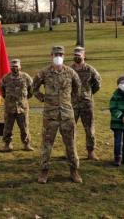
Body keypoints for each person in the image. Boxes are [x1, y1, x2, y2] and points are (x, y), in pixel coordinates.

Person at [33, 45, 83, 184]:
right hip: (50, 115)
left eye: (60, 54)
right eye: (55, 54)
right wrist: (41, 97)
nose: (58, 57)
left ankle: (74, 171)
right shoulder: (44, 73)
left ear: (64, 56)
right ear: (51, 55)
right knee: (47, 145)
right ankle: (44, 172)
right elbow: (33, 86)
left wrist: (70, 101)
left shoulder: (71, 72)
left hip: (67, 115)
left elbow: (78, 88)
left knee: (71, 144)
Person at [70, 46, 101, 160]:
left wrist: (88, 94)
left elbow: (97, 84)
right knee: (70, 128)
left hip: (87, 104)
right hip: (72, 104)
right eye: (75, 54)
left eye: (79, 54)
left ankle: (91, 151)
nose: (77, 56)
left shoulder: (90, 70)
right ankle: (71, 151)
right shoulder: (69, 70)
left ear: (84, 55)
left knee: (89, 129)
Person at [0, 58, 34, 151]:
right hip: (9, 107)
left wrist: (24, 100)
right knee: (7, 127)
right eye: (13, 67)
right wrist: (8, 99)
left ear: (20, 67)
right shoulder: (6, 78)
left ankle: (26, 144)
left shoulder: (26, 77)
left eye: (16, 66)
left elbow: (31, 90)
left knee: (24, 127)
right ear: (10, 67)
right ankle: (7, 144)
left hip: (22, 107)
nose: (14, 68)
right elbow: (2, 91)